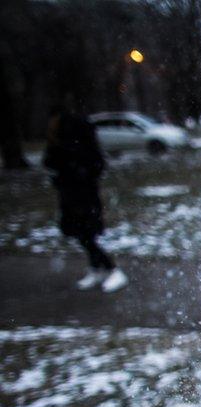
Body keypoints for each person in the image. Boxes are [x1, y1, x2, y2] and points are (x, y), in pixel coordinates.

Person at [43, 106, 128, 292]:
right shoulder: (64, 143)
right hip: (73, 194)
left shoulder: (75, 146)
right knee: (83, 235)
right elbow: (51, 161)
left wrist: (74, 174)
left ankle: (111, 269)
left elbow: (91, 165)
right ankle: (98, 268)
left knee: (86, 235)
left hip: (82, 196)